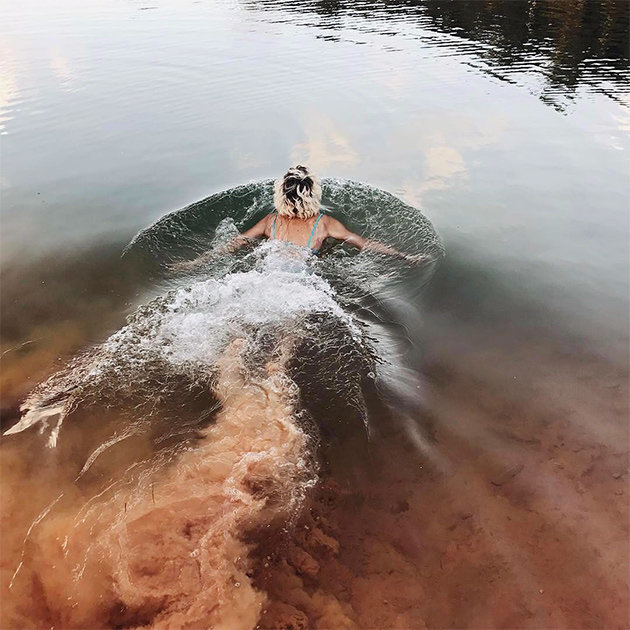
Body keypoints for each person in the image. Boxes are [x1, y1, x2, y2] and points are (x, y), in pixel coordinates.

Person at [175, 165, 431, 269]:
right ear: (313, 194)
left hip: (268, 268)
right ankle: (279, 364)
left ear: (280, 195)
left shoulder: (270, 221)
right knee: (291, 331)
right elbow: (364, 244)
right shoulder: (325, 223)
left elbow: (236, 242)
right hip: (300, 275)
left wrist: (197, 262)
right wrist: (404, 256)